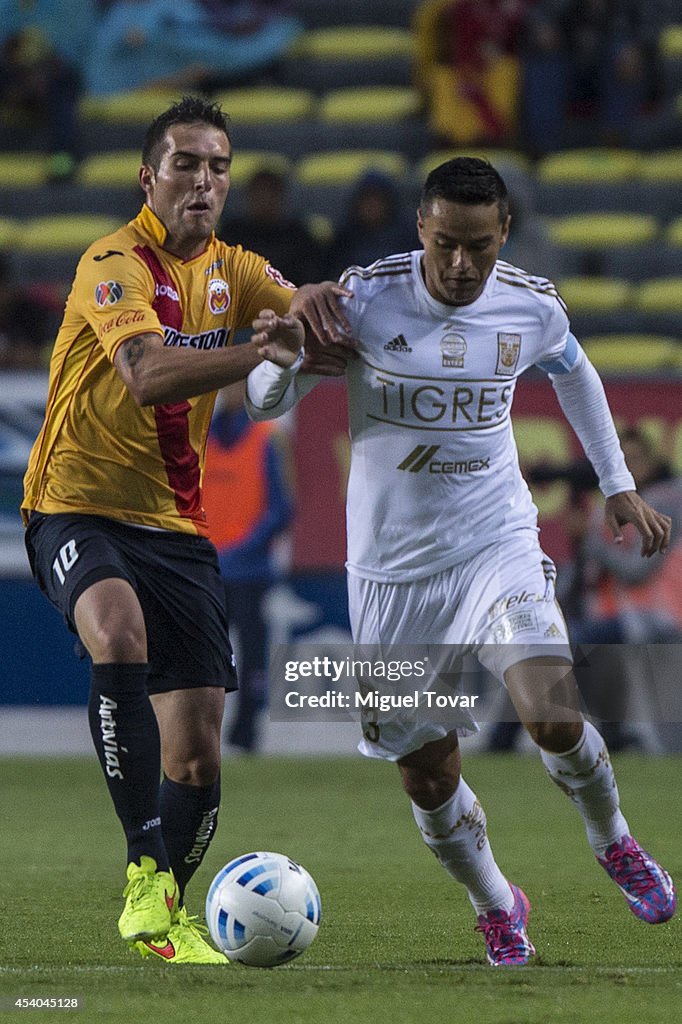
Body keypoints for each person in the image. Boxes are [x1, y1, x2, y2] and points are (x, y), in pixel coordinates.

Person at [244, 157, 677, 966]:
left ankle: (614, 839)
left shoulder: (529, 303)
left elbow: (574, 370)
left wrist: (617, 484)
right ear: (421, 229)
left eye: (478, 245)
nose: (460, 264)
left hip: (495, 543)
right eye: (446, 243)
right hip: (392, 575)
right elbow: (262, 403)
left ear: (503, 232)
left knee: (551, 708)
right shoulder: (362, 300)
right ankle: (496, 903)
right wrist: (283, 355)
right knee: (427, 773)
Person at [20, 94, 342, 966]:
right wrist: (262, 350)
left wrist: (323, 311)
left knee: (198, 753)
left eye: (218, 166)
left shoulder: (235, 266)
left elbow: (303, 307)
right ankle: (141, 872)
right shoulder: (112, 261)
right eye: (186, 164)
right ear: (149, 176)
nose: (204, 180)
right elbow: (149, 373)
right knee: (117, 634)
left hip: (174, 524)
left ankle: (167, 914)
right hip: (74, 503)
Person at [202, 381, 293, 753]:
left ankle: (246, 733)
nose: (229, 391)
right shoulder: (199, 437)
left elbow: (281, 509)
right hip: (204, 569)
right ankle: (200, 733)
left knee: (252, 656)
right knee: (201, 659)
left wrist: (240, 549)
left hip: (248, 570)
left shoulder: (268, 438)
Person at [221, 167, 328, 287]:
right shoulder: (231, 234)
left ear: (280, 198)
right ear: (248, 197)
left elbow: (311, 280)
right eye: (259, 195)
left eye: (270, 194)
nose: (265, 201)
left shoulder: (298, 236)